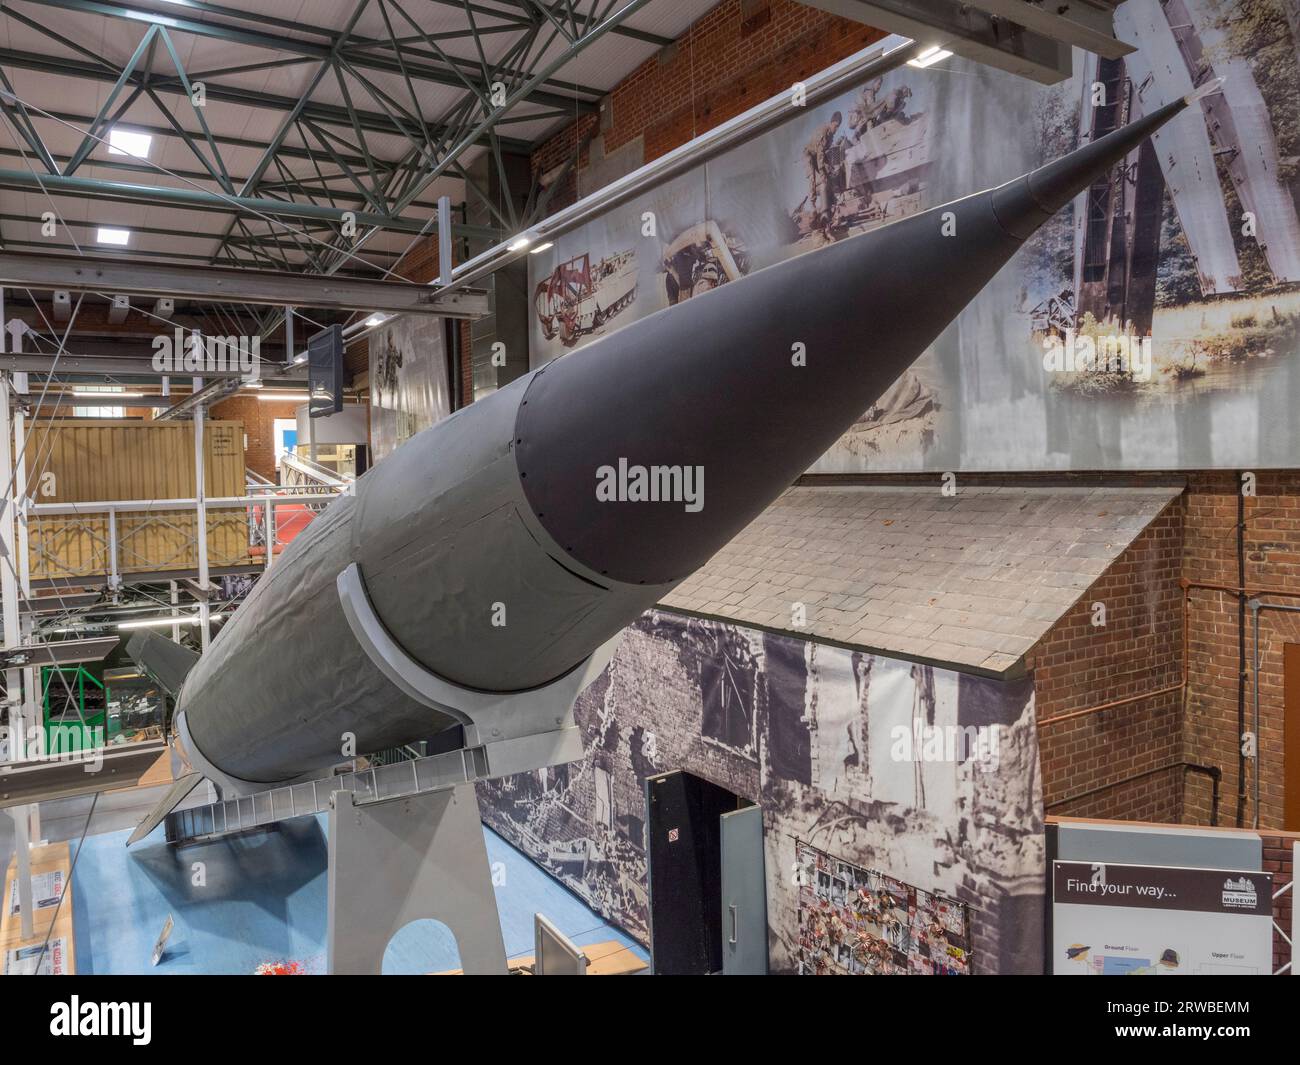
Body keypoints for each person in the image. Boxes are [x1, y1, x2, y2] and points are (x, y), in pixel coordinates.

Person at [803, 111, 842, 230]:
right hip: (809, 156)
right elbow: (820, 153)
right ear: (831, 123)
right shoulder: (824, 131)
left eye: (838, 127)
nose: (836, 129)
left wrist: (829, 168)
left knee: (828, 178)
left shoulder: (831, 135)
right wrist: (822, 172)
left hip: (818, 157)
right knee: (814, 180)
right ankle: (814, 207)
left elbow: (825, 154)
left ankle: (830, 208)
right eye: (835, 126)